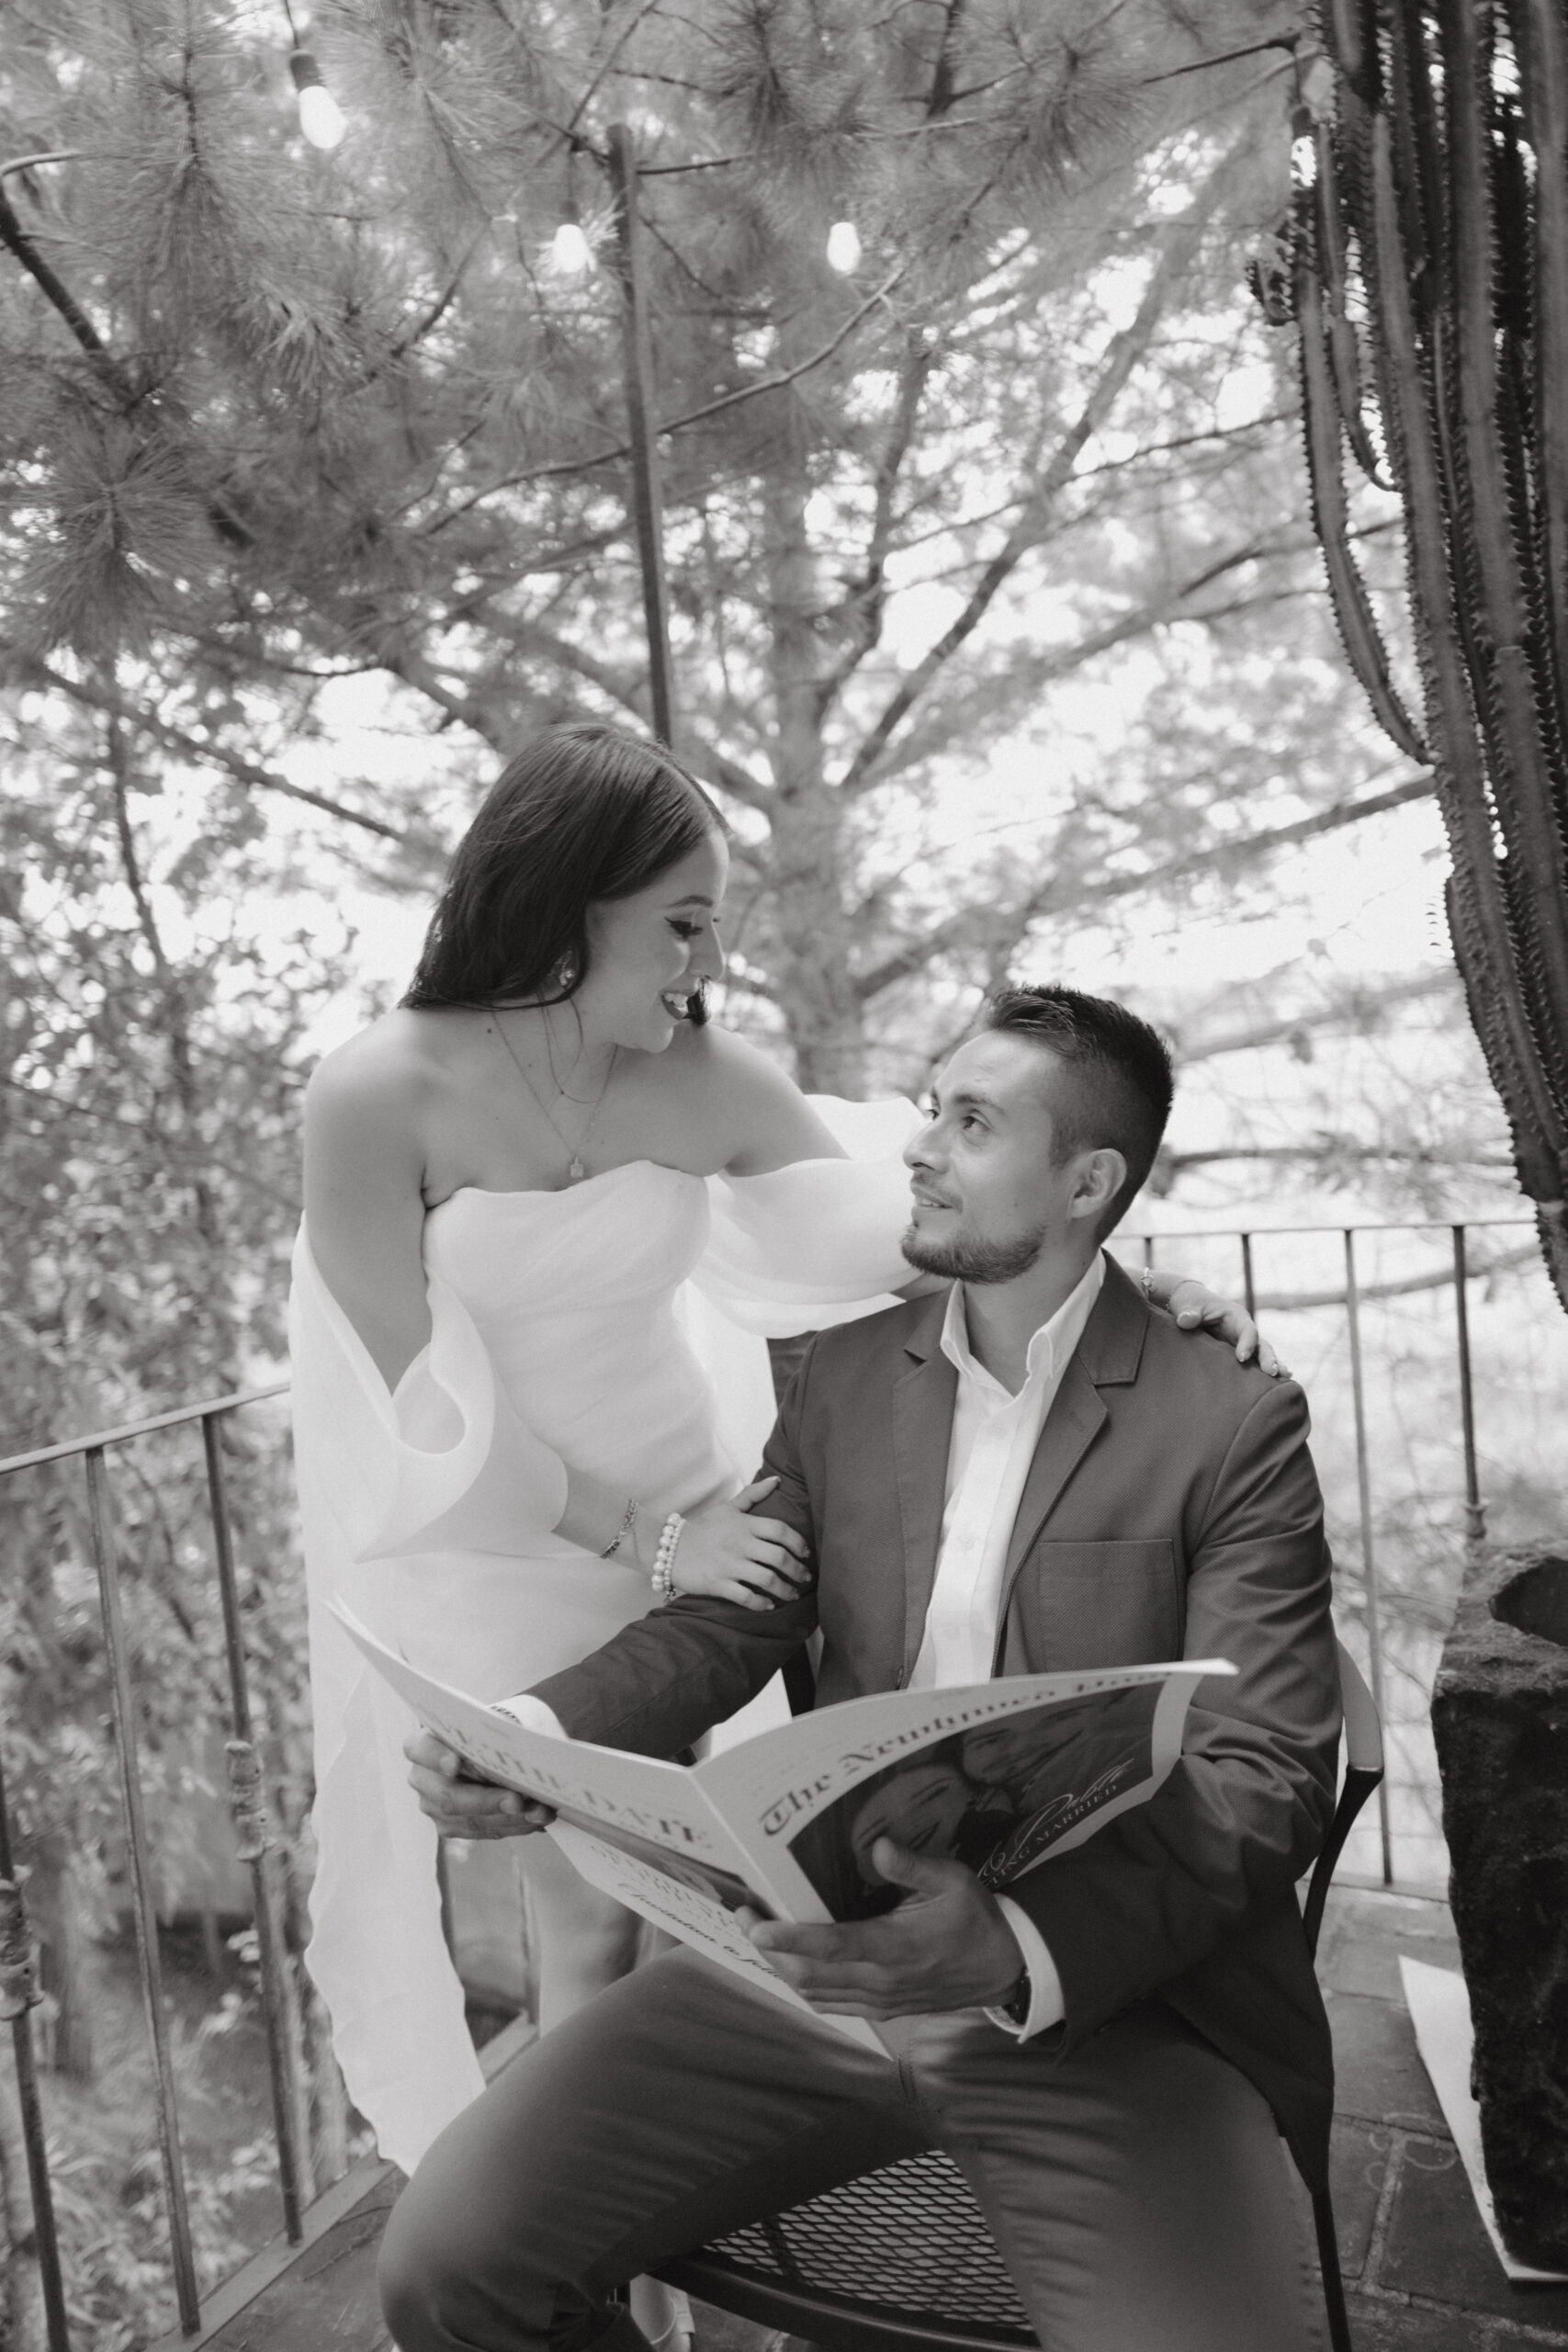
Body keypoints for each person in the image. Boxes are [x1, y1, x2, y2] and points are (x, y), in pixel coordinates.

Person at [293, 727, 1268, 2166]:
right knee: (574, 1905)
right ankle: (567, 2225)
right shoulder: (374, 1095)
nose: (709, 960)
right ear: (571, 903)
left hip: (693, 1512)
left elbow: (904, 1220)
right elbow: (412, 1401)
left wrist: (1129, 1282)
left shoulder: (697, 1073)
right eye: (683, 923)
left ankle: (630, 2203)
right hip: (499, 1534)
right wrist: (645, 1539)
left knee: (649, 1894)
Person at [380, 983, 1341, 2352]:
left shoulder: (1230, 1418)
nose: (919, 1148)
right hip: (806, 1968)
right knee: (448, 2272)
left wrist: (1013, 1946)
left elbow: (1267, 1773)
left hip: (1108, 2004)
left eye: (971, 1123)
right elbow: (732, 1623)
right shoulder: (838, 1379)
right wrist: (526, 1736)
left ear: (1088, 1183)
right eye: (931, 1109)